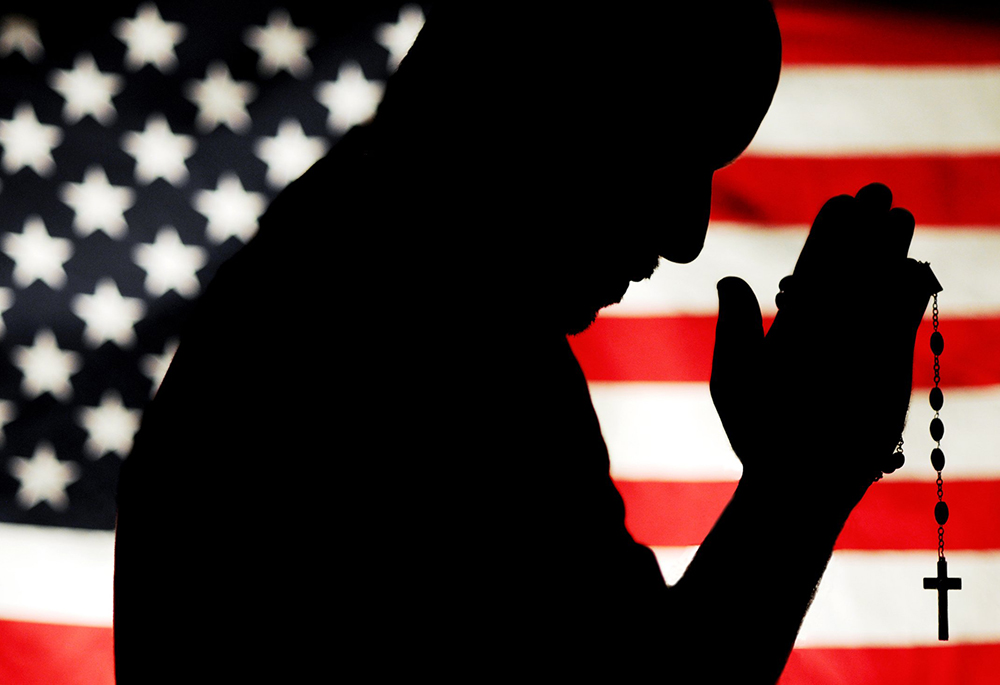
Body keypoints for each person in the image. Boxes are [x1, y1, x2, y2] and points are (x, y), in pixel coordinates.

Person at [114, 2, 938, 682]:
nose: (686, 233)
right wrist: (801, 485)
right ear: (543, 99)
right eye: (664, 145)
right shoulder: (433, 345)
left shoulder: (358, 286)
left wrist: (799, 484)